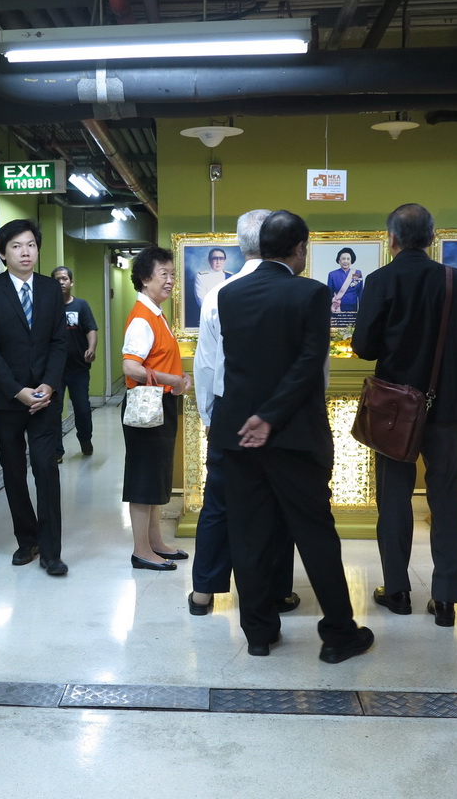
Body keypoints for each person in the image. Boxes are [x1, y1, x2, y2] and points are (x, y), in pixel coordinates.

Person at [213, 210, 374, 662]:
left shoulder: (230, 294)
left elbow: (238, 362)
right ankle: (338, 634)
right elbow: (307, 364)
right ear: (300, 248)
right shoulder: (312, 293)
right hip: (294, 436)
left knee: (249, 535)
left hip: (238, 434)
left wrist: (257, 416)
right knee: (315, 535)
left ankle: (259, 632)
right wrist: (271, 416)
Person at [352, 203, 457, 628]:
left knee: (394, 497)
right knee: (449, 500)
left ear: (392, 238)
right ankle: (445, 599)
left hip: (394, 412)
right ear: (432, 238)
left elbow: (364, 347)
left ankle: (397, 590)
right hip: (449, 410)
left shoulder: (380, 281)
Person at [189, 209, 300, 616]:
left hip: (230, 411)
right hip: (282, 415)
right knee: (278, 502)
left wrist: (208, 417)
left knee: (219, 501)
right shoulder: (297, 291)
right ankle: (277, 591)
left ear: (238, 246)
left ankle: (203, 592)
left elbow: (205, 363)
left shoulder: (220, 294)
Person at [0, 219, 68, 576]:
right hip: (6, 399)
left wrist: (48, 386)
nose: (25, 252)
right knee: (13, 471)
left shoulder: (50, 289)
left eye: (30, 245)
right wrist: (18, 391)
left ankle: (52, 551)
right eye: (16, 246)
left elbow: (59, 342)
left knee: (46, 468)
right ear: (2, 253)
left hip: (45, 397)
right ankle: (27, 540)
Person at [121, 246, 191, 571]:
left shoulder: (156, 314)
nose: (170, 280)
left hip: (160, 405)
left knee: (156, 478)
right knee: (143, 480)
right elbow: (130, 367)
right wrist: (171, 379)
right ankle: (141, 551)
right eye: (164, 274)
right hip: (146, 407)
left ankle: (156, 543)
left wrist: (178, 377)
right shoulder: (142, 319)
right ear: (145, 278)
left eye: (172, 274)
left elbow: (158, 360)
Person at [51, 266, 98, 460]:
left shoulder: (81, 305)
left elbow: (91, 329)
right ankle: (57, 451)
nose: (61, 282)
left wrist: (92, 348)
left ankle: (85, 439)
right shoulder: (48, 307)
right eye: (57, 279)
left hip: (78, 367)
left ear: (71, 282)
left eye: (64, 279)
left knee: (82, 408)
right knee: (54, 410)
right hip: (55, 370)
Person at [327, 246, 363, 319]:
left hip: (353, 306)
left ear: (351, 260)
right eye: (343, 259)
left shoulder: (357, 273)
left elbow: (360, 292)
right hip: (338, 306)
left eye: (348, 259)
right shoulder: (332, 274)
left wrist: (362, 308)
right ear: (339, 260)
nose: (346, 261)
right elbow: (329, 293)